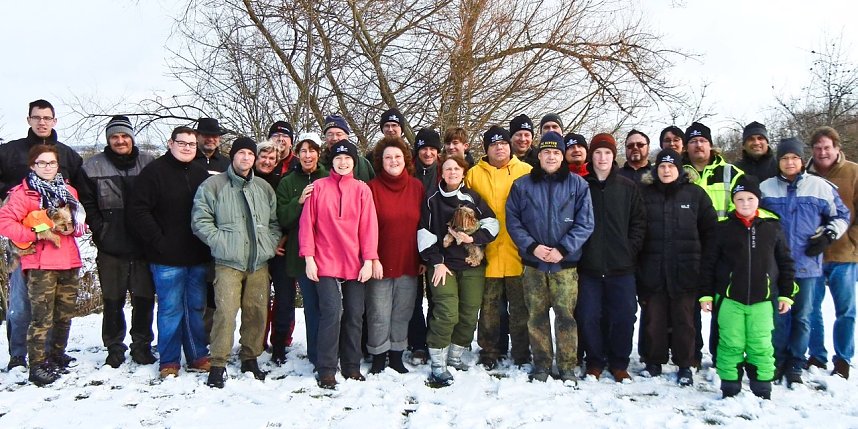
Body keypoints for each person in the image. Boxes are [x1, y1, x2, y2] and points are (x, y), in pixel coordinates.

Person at [0, 99, 83, 371]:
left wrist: (78, 223)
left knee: (55, 308)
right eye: (37, 117)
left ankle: (51, 353)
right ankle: (18, 355)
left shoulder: (68, 155)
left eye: (47, 117)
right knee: (23, 305)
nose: (42, 122)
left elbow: (80, 202)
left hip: (61, 249)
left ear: (54, 121)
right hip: (23, 244)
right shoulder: (9, 152)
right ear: (29, 120)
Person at [192, 137, 281, 388]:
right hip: (228, 261)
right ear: (233, 156)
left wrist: (268, 245)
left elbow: (274, 223)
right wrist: (221, 242)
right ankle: (218, 362)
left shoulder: (263, 188)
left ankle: (250, 357)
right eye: (241, 153)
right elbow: (200, 220)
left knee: (256, 312)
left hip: (258, 262)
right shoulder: (214, 185)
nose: (246, 158)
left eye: (250, 155)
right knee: (226, 312)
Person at [506, 131, 594, 384]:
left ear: (563, 155)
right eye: (546, 152)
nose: (551, 156)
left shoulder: (578, 185)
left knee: (566, 316)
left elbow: (585, 223)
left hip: (564, 265)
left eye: (556, 152)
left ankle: (567, 366)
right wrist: (532, 247)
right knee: (536, 316)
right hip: (534, 265)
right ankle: (542, 363)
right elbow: (513, 221)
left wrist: (563, 249)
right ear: (539, 155)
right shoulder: (522, 185)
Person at [760, 137, 849, 386]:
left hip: (807, 264)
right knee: (776, 317)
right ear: (778, 161)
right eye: (785, 158)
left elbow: (842, 215)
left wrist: (828, 235)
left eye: (794, 158)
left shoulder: (820, 186)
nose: (790, 162)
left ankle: (796, 362)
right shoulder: (766, 187)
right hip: (775, 266)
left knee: (802, 316)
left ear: (802, 160)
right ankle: (777, 359)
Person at [700, 175, 796, 400]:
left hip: (762, 300)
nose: (745, 203)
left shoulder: (772, 228)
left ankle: (762, 383)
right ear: (734, 200)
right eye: (740, 198)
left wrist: (787, 294)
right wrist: (705, 294)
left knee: (761, 342)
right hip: (730, 299)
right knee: (730, 341)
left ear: (758, 200)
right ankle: (730, 383)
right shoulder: (722, 229)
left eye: (750, 198)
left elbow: (785, 262)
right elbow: (708, 264)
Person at [129, 126, 213, 379]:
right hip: (166, 257)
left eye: (191, 144)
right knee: (170, 309)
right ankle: (169, 360)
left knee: (195, 307)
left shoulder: (201, 173)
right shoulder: (154, 172)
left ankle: (197, 355)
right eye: (182, 142)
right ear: (170, 143)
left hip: (197, 254)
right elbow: (138, 210)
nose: (187, 147)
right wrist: (158, 240)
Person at [299, 138, 379, 389]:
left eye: (347, 158)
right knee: (332, 312)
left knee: (355, 314)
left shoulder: (362, 189)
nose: (343, 162)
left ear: (353, 161)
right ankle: (326, 367)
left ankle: (351, 364)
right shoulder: (318, 187)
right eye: (338, 158)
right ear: (331, 161)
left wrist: (369, 259)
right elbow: (307, 225)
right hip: (325, 261)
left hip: (355, 262)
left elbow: (369, 227)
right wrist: (309, 259)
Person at [80, 115, 157, 368]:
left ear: (132, 137)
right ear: (108, 140)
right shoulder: (93, 166)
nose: (120, 141)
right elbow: (88, 204)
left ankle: (142, 345)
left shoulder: (148, 162)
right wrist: (101, 230)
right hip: (111, 245)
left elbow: (159, 200)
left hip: (144, 244)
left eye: (124, 136)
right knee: (113, 300)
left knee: (144, 298)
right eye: (115, 137)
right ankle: (114, 346)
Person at [638, 149, 718, 386]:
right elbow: (636, 231)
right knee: (654, 320)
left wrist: (704, 266)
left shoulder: (695, 195)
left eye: (671, 167)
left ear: (679, 169)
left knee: (685, 321)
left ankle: (685, 364)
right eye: (662, 166)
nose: (666, 171)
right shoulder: (644, 194)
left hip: (686, 271)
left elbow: (710, 232)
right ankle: (653, 361)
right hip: (653, 270)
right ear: (656, 169)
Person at [417, 155, 499, 386]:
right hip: (443, 266)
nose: (452, 172)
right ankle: (438, 363)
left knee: (469, 312)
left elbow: (493, 224)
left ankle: (454, 356)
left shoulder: (473, 197)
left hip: (471, 264)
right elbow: (424, 234)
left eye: (456, 168)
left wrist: (473, 237)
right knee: (446, 311)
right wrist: (436, 261)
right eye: (447, 169)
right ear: (441, 173)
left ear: (463, 172)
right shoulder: (432, 199)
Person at [578, 133, 646, 382]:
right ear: (591, 156)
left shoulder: (628, 186)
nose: (602, 157)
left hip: (622, 267)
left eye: (607, 153)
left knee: (624, 315)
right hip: (590, 267)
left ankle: (619, 362)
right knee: (588, 314)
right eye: (597, 152)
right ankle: (594, 360)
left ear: (613, 155)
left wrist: (629, 249)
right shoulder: (582, 186)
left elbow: (639, 222)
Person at [466, 125, 532, 369]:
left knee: (519, 309)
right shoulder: (474, 174)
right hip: (488, 253)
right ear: (486, 149)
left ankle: (522, 353)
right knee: (490, 309)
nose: (499, 148)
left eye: (503, 143)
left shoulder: (525, 171)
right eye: (493, 144)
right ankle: (490, 351)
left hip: (518, 252)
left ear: (510, 146)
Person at [365, 136, 424, 374]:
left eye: (398, 156)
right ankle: (379, 356)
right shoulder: (371, 188)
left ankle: (397, 355)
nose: (393, 161)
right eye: (388, 157)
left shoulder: (416, 187)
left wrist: (423, 259)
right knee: (379, 313)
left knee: (402, 311)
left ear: (406, 160)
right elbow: (365, 227)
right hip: (380, 262)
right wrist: (372, 259)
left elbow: (423, 226)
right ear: (381, 161)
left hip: (409, 260)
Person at [806, 126, 858, 379]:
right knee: (811, 308)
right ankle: (816, 355)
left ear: (837, 148)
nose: (823, 152)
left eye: (827, 147)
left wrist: (852, 240)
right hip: (812, 255)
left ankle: (843, 358)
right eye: (818, 148)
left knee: (845, 309)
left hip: (844, 255)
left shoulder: (853, 172)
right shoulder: (805, 174)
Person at [276, 133, 328, 368]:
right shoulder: (288, 181)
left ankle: (325, 351)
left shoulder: (328, 177)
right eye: (303, 151)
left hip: (326, 252)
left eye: (312, 150)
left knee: (326, 306)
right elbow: (282, 218)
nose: (308, 155)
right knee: (306, 304)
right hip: (298, 253)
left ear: (319, 153)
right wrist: (299, 202)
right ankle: (311, 352)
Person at [408, 128, 443, 364]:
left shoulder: (445, 172)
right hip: (410, 241)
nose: (428, 153)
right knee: (413, 297)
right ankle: (417, 343)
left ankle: (434, 341)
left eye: (432, 149)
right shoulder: (408, 171)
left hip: (437, 243)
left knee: (436, 296)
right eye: (424, 148)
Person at [320, 115, 375, 182]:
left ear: (347, 136)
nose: (334, 138)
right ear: (325, 138)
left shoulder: (362, 164)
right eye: (330, 134)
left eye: (339, 134)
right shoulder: (319, 164)